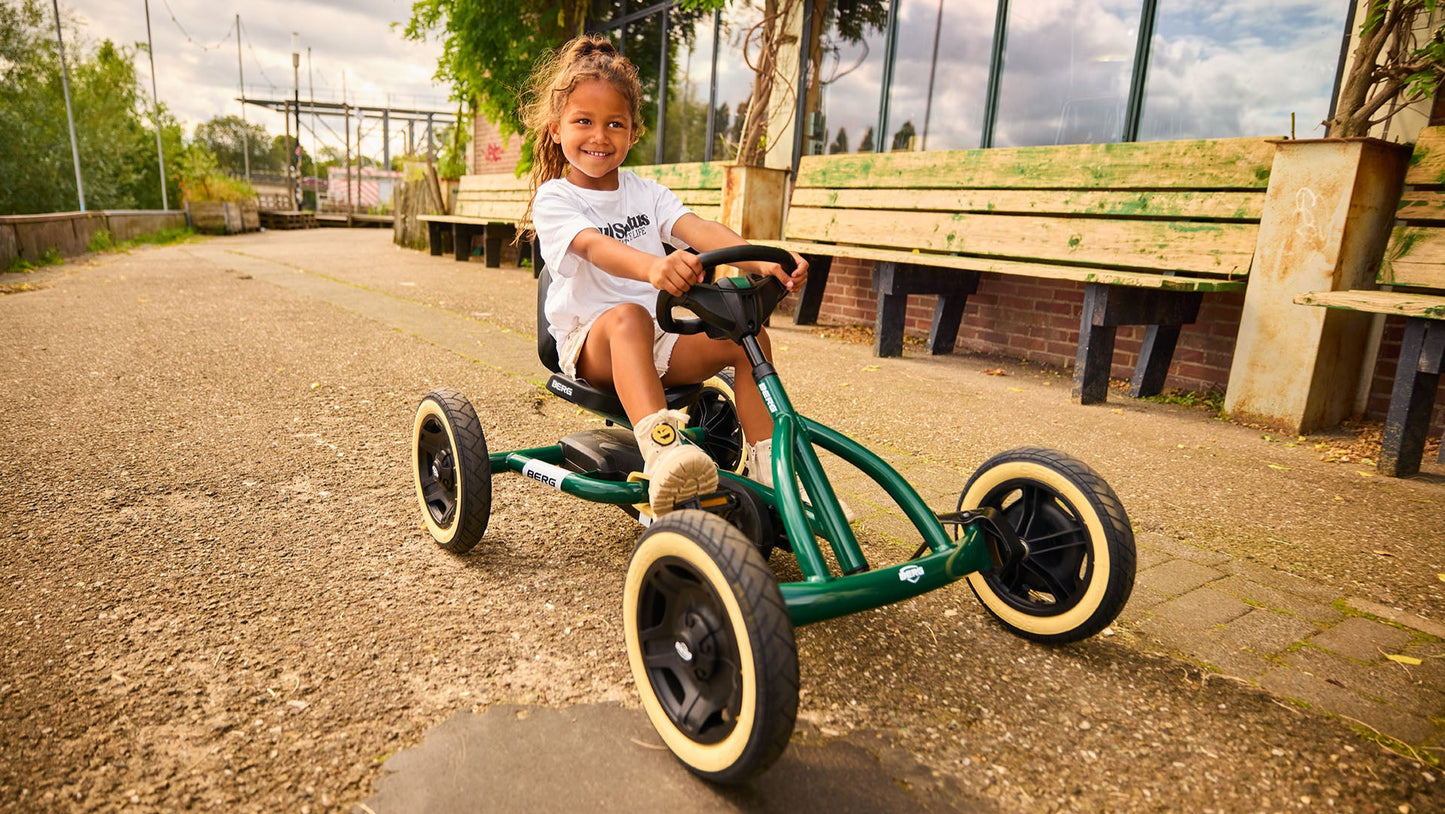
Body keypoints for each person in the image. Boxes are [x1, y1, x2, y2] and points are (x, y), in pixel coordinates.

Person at [520, 34, 807, 517]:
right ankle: (664, 453)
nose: (599, 136)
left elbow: (698, 229)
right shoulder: (556, 199)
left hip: (660, 339)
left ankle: (768, 471)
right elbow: (593, 246)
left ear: (633, 133)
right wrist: (654, 266)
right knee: (628, 315)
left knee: (745, 336)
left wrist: (761, 260)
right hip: (592, 343)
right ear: (555, 129)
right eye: (583, 122)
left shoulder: (647, 193)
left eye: (615, 124)